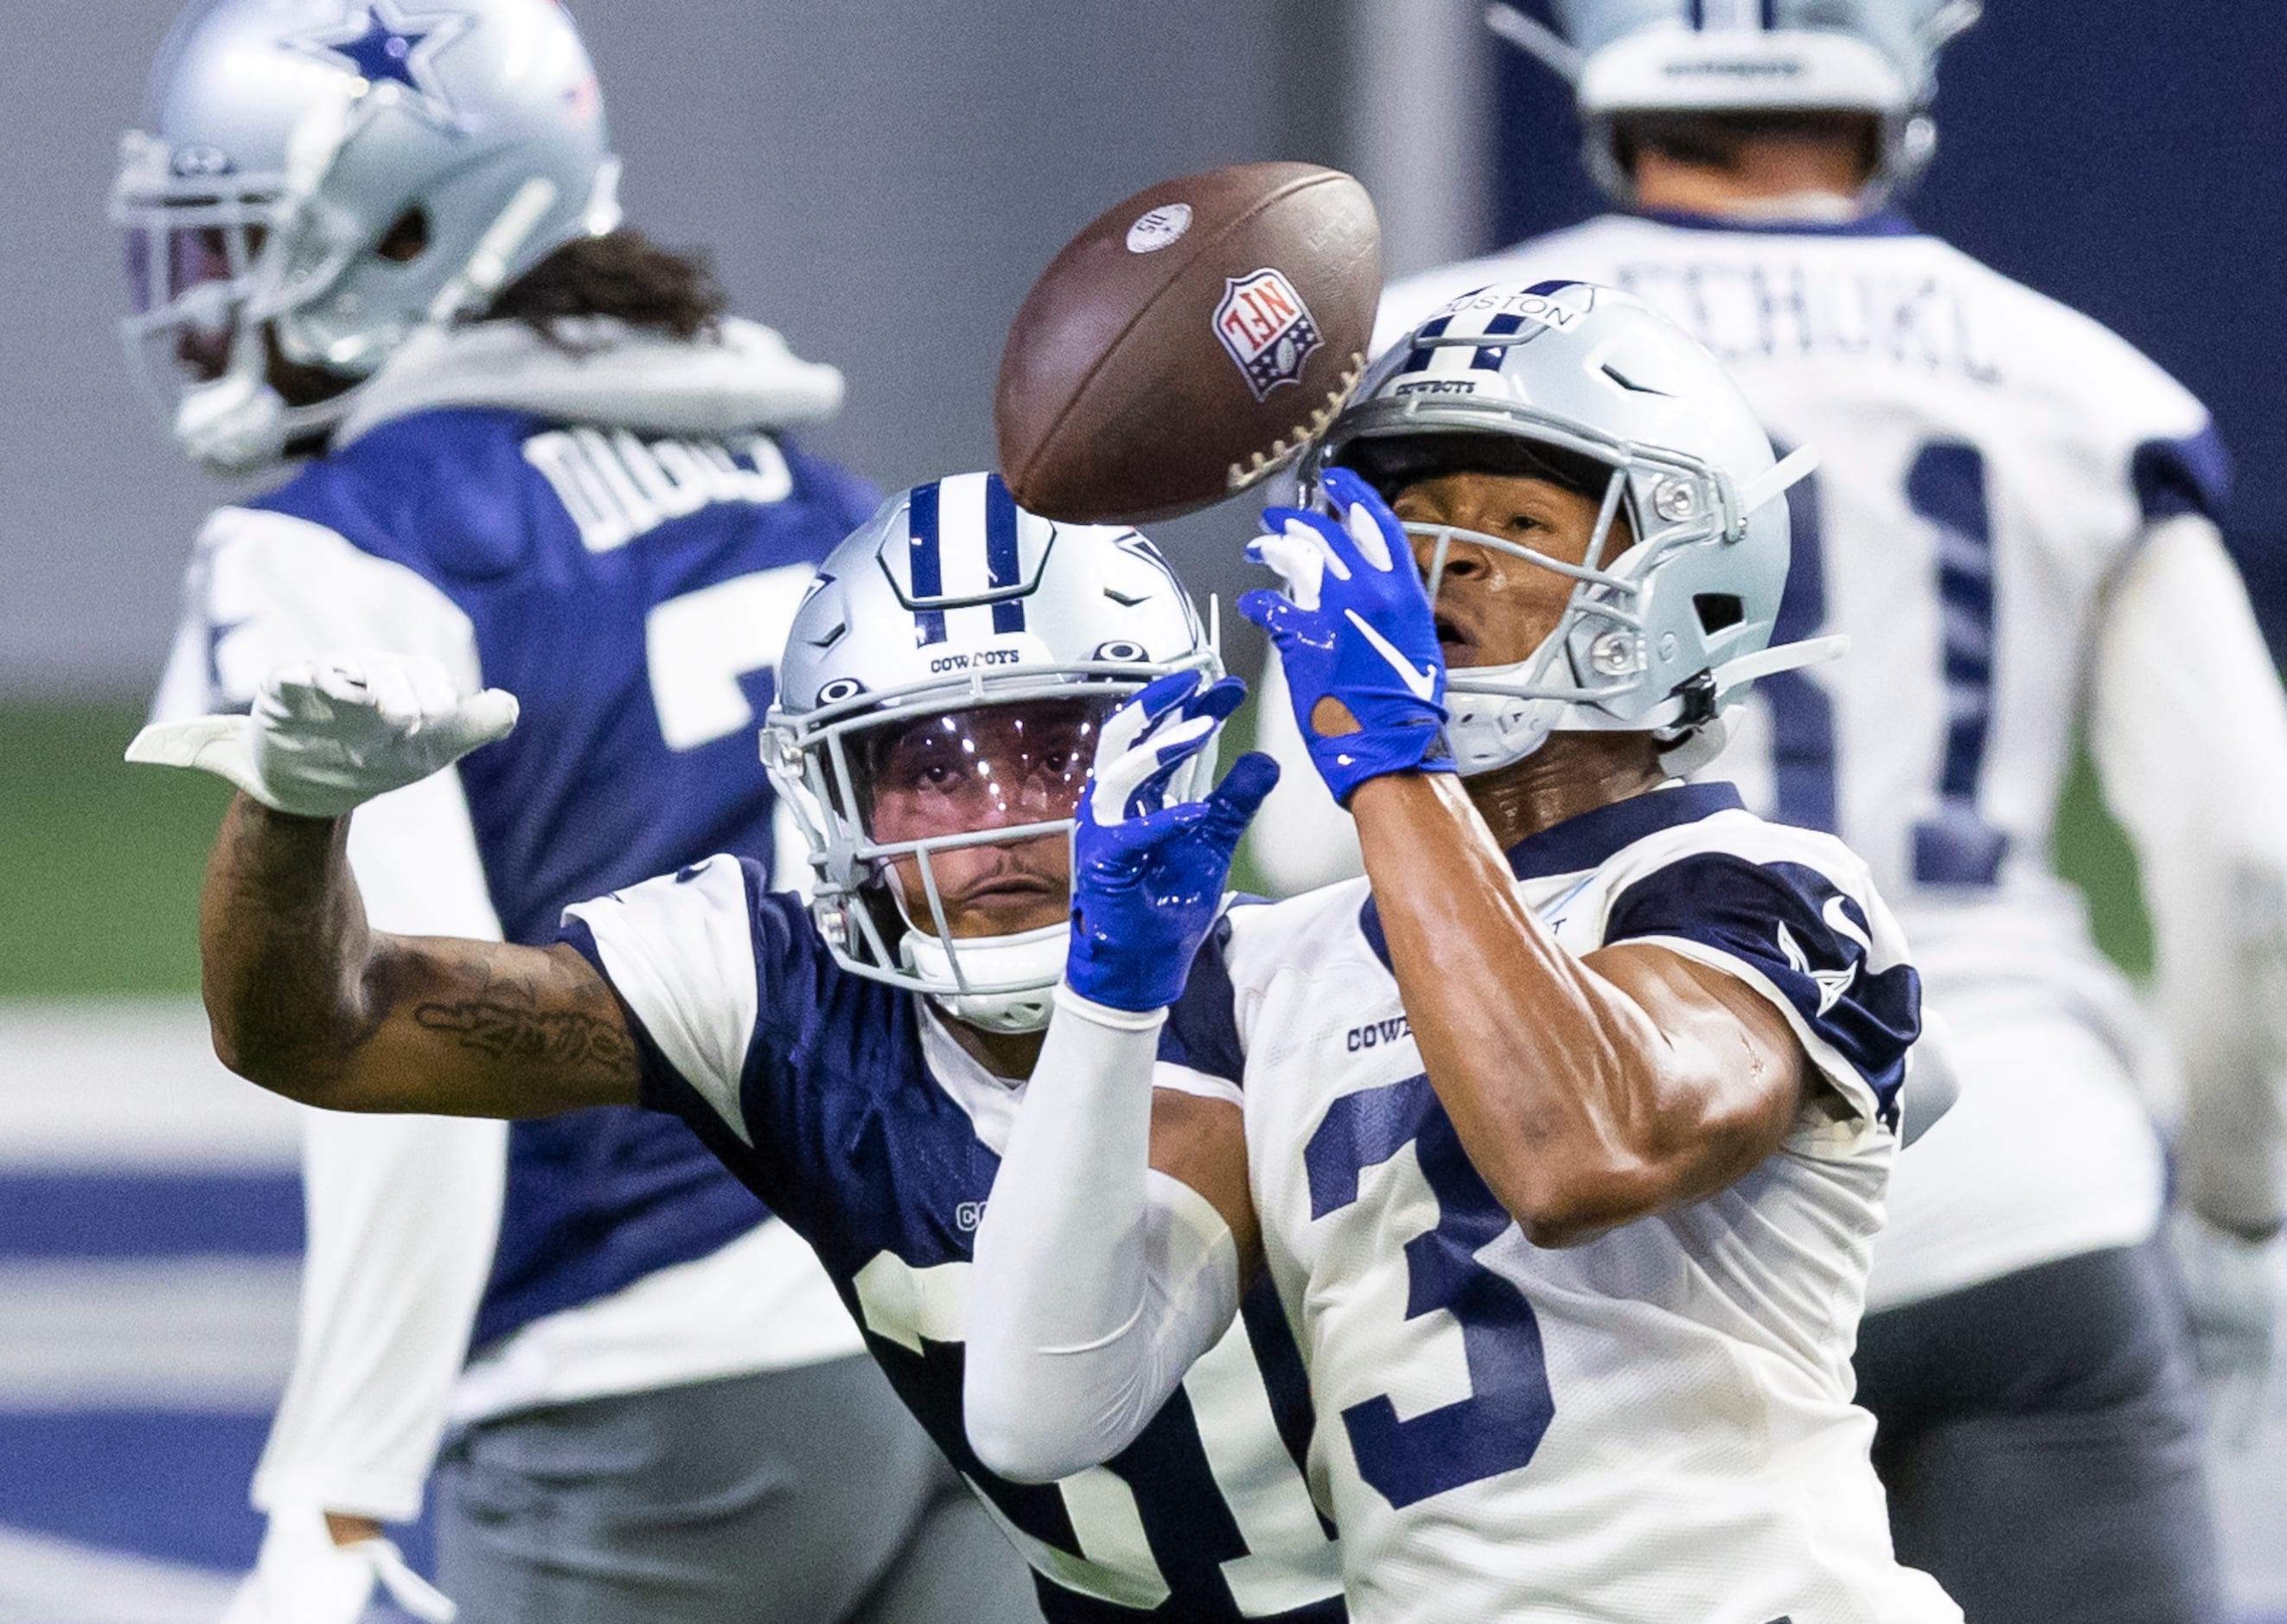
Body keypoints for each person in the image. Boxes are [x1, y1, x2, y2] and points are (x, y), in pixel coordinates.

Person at [1262, 4, 2287, 1619]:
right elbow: (2248, 859)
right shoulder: (2078, 378)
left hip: (1573, 1207)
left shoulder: (1419, 357)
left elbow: (1339, 841)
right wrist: (2241, 1207)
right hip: (2009, 1163)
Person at [116, 3, 1038, 1620]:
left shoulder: (339, 542)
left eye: (245, 243)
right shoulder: (815, 495)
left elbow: (385, 1046)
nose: (205, 307)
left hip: (641, 1376)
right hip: (959, 1312)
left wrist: (336, 1499)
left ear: (404, 229)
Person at [128, 474, 1351, 1624]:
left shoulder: (1321, 994)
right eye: (934, 764)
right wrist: (295, 806)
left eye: (1055, 749)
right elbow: (317, 1030)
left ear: (1171, 743)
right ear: (832, 797)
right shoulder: (774, 990)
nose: (1003, 821)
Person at [962, 283, 1962, 1622]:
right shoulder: (1264, 969)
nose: (1444, 561)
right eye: (1410, 517)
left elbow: (1580, 1149)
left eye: (1518, 524)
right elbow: (1041, 1408)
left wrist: (1390, 769)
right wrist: (1107, 1000)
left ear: (1681, 568)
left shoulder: (1761, 889)